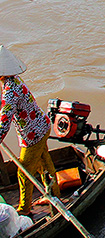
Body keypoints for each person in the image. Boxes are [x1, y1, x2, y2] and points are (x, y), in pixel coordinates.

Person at [0, 45, 61, 216]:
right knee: (44, 163)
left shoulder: (10, 91)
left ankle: (24, 210)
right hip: (42, 125)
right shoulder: (14, 80)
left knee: (23, 172)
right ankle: (53, 195)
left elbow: (4, 123)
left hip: (33, 134)